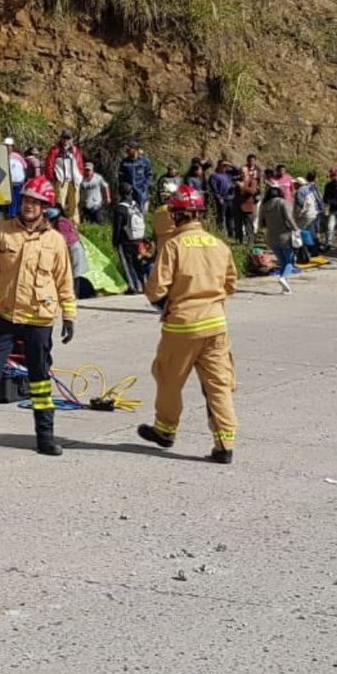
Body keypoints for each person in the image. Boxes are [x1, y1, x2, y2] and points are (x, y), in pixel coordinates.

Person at [0, 176, 77, 458]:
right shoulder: (2, 232)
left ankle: (45, 438)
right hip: (4, 317)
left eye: (36, 202)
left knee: (40, 381)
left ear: (45, 206)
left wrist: (69, 315)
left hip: (39, 320)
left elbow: (64, 281)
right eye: (27, 200)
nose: (30, 205)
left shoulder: (55, 241)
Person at [136, 185, 240, 465]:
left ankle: (165, 430)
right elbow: (231, 284)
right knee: (218, 385)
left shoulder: (173, 246)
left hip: (182, 327)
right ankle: (225, 443)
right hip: (216, 325)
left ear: (175, 216)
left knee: (169, 380)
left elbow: (155, 289)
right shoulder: (219, 245)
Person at [49, 206, 94, 299]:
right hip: (76, 247)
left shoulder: (61, 223)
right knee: (74, 273)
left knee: (75, 274)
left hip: (73, 248)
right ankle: (73, 294)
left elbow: (65, 240)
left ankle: (74, 295)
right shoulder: (65, 220)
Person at [261, 185, 299, 294]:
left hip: (271, 237)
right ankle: (283, 278)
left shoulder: (265, 206)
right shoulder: (282, 202)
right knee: (290, 261)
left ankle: (284, 287)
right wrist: (296, 229)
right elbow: (289, 218)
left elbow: (261, 223)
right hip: (285, 236)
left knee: (282, 262)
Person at [113, 182, 148, 294]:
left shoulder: (120, 208)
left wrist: (115, 241)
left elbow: (117, 227)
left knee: (128, 264)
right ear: (131, 192)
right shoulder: (136, 205)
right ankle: (144, 285)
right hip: (139, 239)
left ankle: (134, 287)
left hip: (125, 240)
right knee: (138, 263)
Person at [44, 130, 83, 219]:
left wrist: (80, 176)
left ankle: (74, 224)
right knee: (59, 202)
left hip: (74, 181)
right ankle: (59, 221)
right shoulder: (55, 150)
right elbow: (49, 164)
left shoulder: (75, 150)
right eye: (64, 138)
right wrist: (52, 178)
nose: (66, 140)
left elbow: (80, 164)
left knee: (74, 203)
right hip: (61, 181)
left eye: (68, 138)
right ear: (61, 138)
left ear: (71, 139)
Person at [294, 173, 322, 256]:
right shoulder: (311, 188)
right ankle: (314, 251)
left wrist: (300, 213)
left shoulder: (300, 190)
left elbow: (302, 203)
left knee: (303, 232)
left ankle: (305, 251)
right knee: (312, 232)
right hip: (315, 213)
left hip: (306, 214)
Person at [119, 143, 154, 209]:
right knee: (128, 210)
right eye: (127, 149)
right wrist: (123, 186)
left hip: (140, 190)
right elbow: (121, 176)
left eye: (129, 149)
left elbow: (149, 175)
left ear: (135, 149)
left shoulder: (145, 161)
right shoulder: (124, 162)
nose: (127, 150)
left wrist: (145, 186)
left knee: (140, 210)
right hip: (128, 191)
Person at [208, 161, 235, 238]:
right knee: (221, 217)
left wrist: (230, 164)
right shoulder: (214, 176)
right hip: (221, 199)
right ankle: (220, 233)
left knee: (230, 217)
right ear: (218, 166)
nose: (225, 168)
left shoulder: (228, 176)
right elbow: (214, 188)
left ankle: (231, 235)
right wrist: (218, 197)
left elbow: (236, 170)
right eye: (223, 166)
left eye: (225, 166)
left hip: (230, 199)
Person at [238, 155, 263, 239]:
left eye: (244, 172)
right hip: (238, 204)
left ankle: (251, 240)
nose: (242, 174)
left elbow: (253, 191)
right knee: (238, 224)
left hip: (249, 204)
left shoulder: (253, 179)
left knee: (249, 223)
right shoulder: (238, 180)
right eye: (241, 172)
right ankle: (239, 240)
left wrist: (242, 187)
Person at [321, 167, 337, 251]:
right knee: (330, 227)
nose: (334, 177)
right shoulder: (328, 185)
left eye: (335, 175)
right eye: (332, 175)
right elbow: (325, 198)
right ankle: (329, 243)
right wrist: (326, 207)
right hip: (333, 209)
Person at [4, 137, 27, 217]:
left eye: (9, 146)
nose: (8, 148)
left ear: (12, 147)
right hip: (8, 183)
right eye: (6, 146)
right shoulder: (2, 156)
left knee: (19, 200)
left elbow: (25, 166)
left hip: (19, 182)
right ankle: (12, 216)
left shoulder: (17, 156)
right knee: (11, 201)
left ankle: (17, 215)